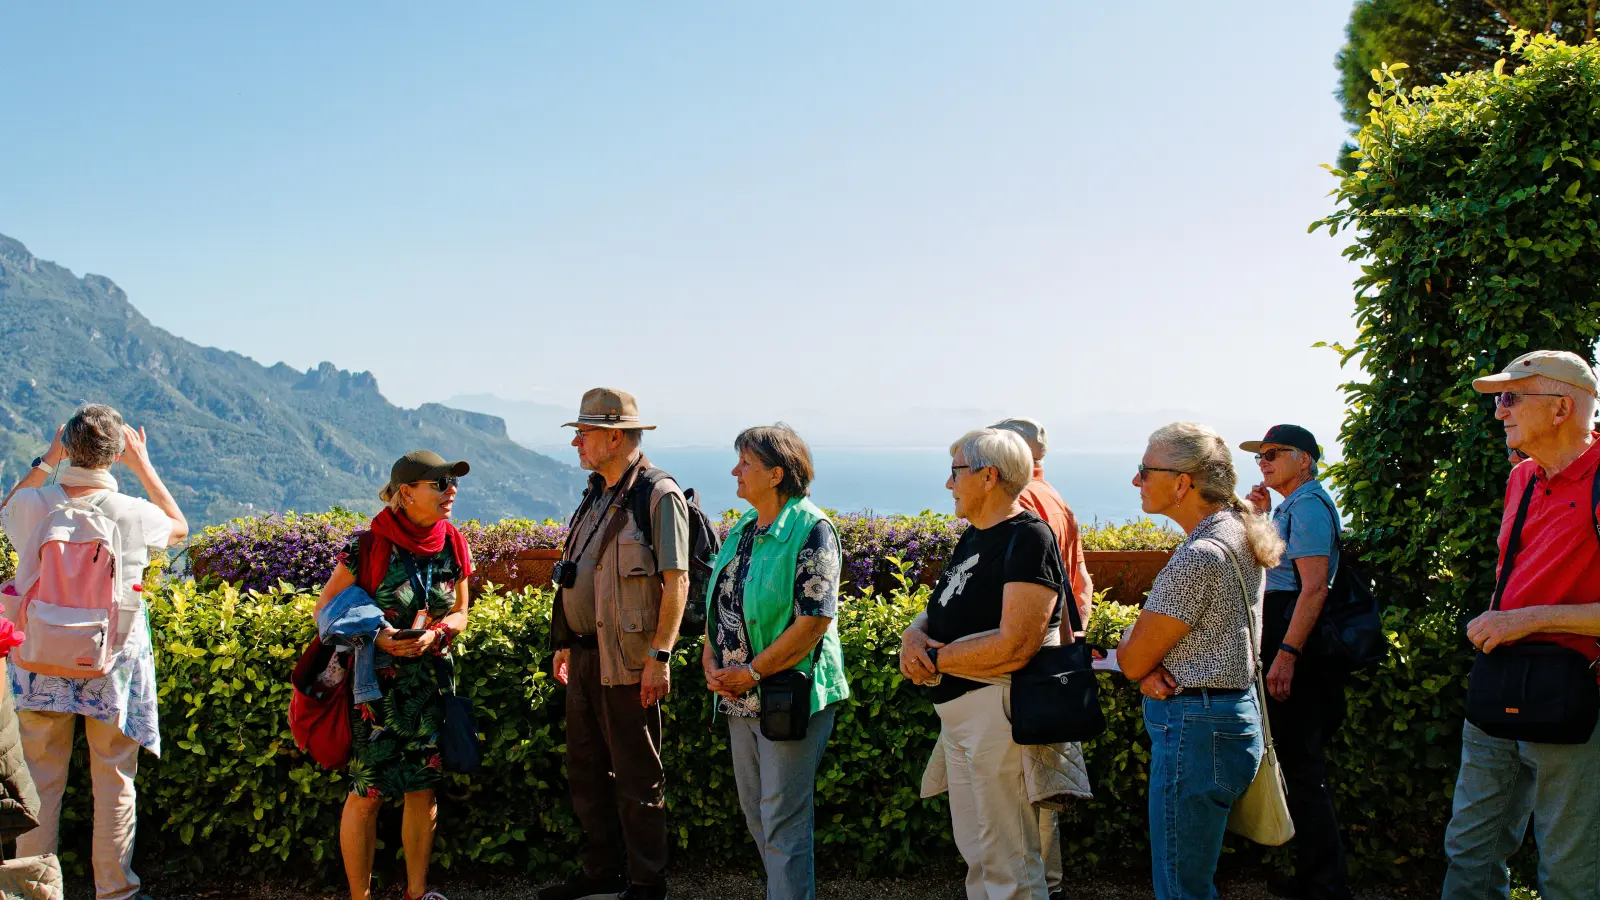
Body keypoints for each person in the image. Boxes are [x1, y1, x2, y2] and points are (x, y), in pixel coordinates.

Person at [1, 405, 188, 900]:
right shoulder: (134, 514)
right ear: (118, 451)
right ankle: (115, 892)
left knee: (38, 780)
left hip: (39, 656)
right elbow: (179, 527)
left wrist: (47, 457)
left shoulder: (35, 505)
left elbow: (5, 514)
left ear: (67, 443)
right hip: (113, 662)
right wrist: (143, 465)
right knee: (114, 777)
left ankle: (31, 891)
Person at [1441, 350, 1600, 900]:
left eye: (1510, 397)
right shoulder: (1522, 479)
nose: (1498, 412)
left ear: (1560, 408)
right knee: (1470, 847)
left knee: (1569, 867)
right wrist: (1505, 627)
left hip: (1574, 697)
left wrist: (1525, 621)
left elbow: (1525, 606)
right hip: (1501, 682)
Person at [1117, 422, 1284, 900]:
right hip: (1230, 716)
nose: (1136, 481)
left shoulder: (1200, 555)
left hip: (1196, 727)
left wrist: (1142, 659)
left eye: (1145, 471)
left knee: (1181, 888)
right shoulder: (1236, 530)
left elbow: (1131, 660)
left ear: (1183, 483)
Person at [899, 428, 1067, 900]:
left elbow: (1018, 643)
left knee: (1009, 858)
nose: (949, 484)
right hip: (960, 713)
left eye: (956, 472)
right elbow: (940, 606)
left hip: (999, 711)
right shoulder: (975, 535)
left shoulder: (1029, 537)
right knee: (977, 850)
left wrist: (934, 658)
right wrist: (914, 634)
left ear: (988, 476)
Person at [543, 389, 690, 900]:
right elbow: (581, 573)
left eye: (583, 434)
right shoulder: (595, 493)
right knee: (585, 771)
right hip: (584, 655)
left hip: (630, 661)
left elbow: (678, 581)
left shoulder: (658, 493)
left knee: (637, 777)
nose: (577, 443)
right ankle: (600, 873)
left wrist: (660, 656)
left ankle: (648, 885)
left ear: (614, 436)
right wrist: (565, 640)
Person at [315, 450, 474, 900]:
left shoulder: (453, 543)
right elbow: (325, 609)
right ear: (407, 493)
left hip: (430, 685)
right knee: (368, 794)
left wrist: (438, 635)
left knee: (423, 789)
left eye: (452, 483)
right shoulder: (367, 545)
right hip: (376, 689)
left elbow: (462, 611)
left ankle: (416, 893)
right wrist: (379, 637)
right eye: (440, 484)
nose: (451, 492)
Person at [701, 424, 849, 900]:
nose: (734, 471)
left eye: (745, 463)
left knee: (782, 818)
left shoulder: (812, 530)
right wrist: (710, 654)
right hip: (739, 693)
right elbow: (720, 598)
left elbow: (813, 622)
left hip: (787, 695)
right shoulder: (745, 528)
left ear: (776, 474)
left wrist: (752, 672)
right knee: (757, 813)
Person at [1241, 425, 1352, 900]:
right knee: (1298, 765)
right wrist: (1264, 516)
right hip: (1290, 636)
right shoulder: (1294, 504)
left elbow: (1313, 588)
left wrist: (1286, 655)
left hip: (1296, 643)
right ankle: (1315, 879)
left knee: (1303, 768)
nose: (1263, 462)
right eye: (1259, 455)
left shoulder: (1307, 505)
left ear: (1304, 459)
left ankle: (1326, 886)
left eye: (1274, 453)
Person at [990, 417, 1092, 900]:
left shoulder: (1021, 505)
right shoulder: (1059, 501)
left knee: (1023, 786)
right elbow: (1081, 584)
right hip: (1053, 657)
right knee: (1044, 778)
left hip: (1022, 662)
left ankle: (1039, 886)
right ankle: (1045, 883)